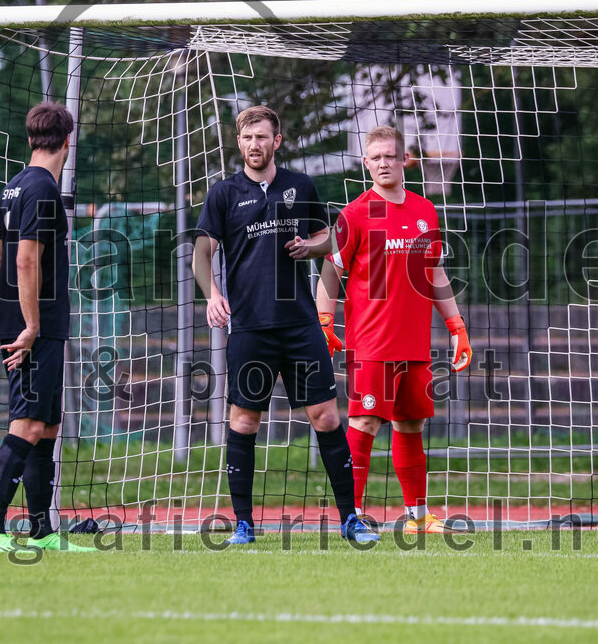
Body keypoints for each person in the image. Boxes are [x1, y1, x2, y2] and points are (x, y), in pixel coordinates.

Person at [192, 105, 379, 545]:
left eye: (262, 137)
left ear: (277, 141)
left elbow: (333, 238)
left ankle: (351, 519)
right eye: (247, 137)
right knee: (244, 421)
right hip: (251, 327)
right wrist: (213, 295)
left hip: (299, 324)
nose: (254, 144)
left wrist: (311, 249)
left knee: (327, 416)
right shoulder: (223, 194)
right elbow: (202, 253)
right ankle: (243, 524)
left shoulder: (301, 185)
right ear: (238, 143)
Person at [316, 125, 473, 533]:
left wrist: (456, 325)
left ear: (405, 160)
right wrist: (325, 319)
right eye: (376, 157)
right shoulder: (354, 214)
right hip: (371, 344)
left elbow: (434, 271)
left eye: (391, 155)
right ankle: (352, 516)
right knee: (363, 425)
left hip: (416, 344)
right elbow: (331, 270)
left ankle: (417, 518)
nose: (384, 163)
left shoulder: (425, 210)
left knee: (411, 425)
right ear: (366, 164)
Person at [0, 101, 95, 553]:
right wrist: (29, 323)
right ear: (69, 140)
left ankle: (42, 531)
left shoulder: (13, 187)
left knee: (46, 425)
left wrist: (11, 306)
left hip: (29, 320)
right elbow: (24, 258)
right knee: (27, 423)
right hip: (34, 327)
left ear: (30, 140)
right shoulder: (43, 190)